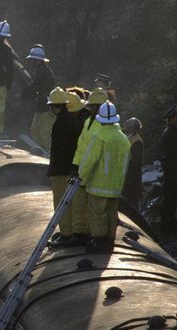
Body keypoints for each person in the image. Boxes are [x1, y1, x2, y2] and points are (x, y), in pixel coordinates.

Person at [78, 102, 131, 253]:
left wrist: (82, 176)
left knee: (97, 213)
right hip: (115, 186)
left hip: (98, 185)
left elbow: (90, 160)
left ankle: (99, 241)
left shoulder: (99, 136)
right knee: (111, 213)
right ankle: (109, 241)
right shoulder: (123, 139)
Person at [71, 88, 109, 244]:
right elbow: (81, 145)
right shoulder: (88, 122)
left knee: (96, 207)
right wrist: (76, 164)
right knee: (80, 203)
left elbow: (98, 151)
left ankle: (98, 236)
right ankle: (81, 233)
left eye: (93, 106)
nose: (91, 109)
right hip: (84, 168)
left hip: (96, 171)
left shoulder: (105, 124)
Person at [47, 88, 84, 247]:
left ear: (53, 106)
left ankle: (66, 233)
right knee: (69, 203)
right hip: (69, 168)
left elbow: (59, 148)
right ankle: (67, 232)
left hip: (60, 170)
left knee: (61, 203)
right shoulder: (71, 120)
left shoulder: (61, 122)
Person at [24, 44, 56, 151]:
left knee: (45, 133)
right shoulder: (41, 70)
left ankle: (49, 154)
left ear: (37, 61)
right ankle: (39, 150)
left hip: (47, 107)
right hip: (41, 106)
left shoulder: (44, 72)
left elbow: (36, 86)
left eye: (33, 60)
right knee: (34, 130)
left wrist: (23, 95)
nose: (32, 62)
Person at [121, 117, 144, 210]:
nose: (124, 124)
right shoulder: (128, 137)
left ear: (132, 128)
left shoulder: (137, 142)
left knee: (132, 206)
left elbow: (135, 164)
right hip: (126, 177)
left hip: (132, 180)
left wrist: (129, 180)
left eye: (127, 122)